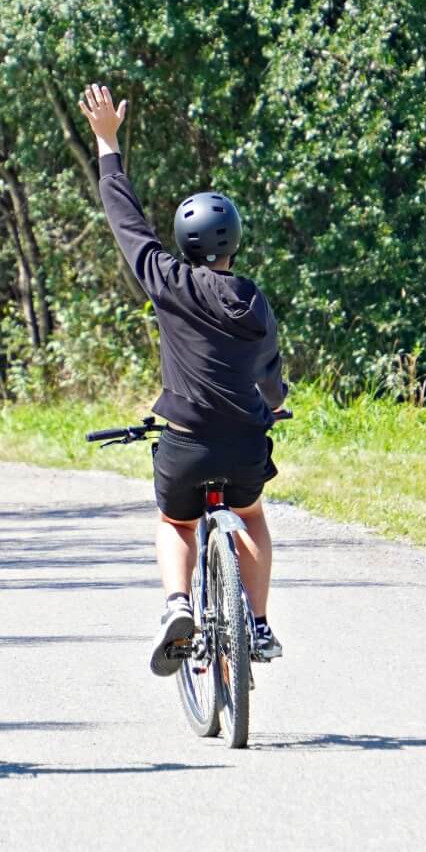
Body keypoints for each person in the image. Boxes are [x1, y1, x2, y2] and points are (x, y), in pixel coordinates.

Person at [75, 84, 289, 674]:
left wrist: (108, 143)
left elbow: (126, 220)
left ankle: (177, 604)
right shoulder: (252, 299)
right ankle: (258, 623)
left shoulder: (168, 281)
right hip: (243, 445)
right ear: (234, 241)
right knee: (250, 515)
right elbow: (269, 372)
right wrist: (274, 403)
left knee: (176, 521)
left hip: (185, 443)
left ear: (183, 241)